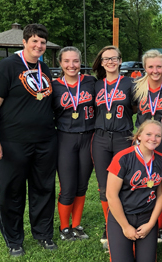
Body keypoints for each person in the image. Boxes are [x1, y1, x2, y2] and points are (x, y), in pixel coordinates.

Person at [0, 23, 57, 256]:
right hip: (13, 142)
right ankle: (14, 239)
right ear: (24, 42)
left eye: (43, 42)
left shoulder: (44, 68)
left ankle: (43, 234)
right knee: (12, 191)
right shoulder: (6, 67)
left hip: (45, 141)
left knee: (44, 189)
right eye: (34, 41)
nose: (39, 45)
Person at [106, 120, 162, 262]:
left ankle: (138, 244)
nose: (153, 139)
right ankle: (122, 242)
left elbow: (161, 195)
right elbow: (111, 195)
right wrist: (126, 227)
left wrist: (152, 224)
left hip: (146, 216)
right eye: (149, 134)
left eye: (158, 136)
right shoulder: (123, 157)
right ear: (138, 136)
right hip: (123, 215)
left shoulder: (161, 160)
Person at [91, 45, 137, 249]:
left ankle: (125, 221)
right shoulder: (96, 85)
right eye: (106, 59)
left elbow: (138, 108)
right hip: (101, 138)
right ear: (101, 63)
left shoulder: (130, 83)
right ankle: (109, 224)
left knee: (124, 181)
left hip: (123, 136)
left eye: (114, 58)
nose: (110, 62)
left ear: (120, 61)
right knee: (104, 184)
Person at [133, 50, 162, 243]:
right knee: (142, 182)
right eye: (151, 66)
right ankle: (139, 219)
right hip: (143, 142)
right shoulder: (136, 87)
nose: (155, 70)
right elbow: (130, 109)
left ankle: (158, 226)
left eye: (159, 66)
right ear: (145, 68)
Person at [52, 46, 96, 241]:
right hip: (65, 138)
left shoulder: (91, 82)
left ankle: (76, 225)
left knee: (82, 184)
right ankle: (64, 228)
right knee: (67, 185)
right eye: (67, 61)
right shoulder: (54, 86)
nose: (72, 65)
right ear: (60, 63)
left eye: (75, 61)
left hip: (88, 136)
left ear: (81, 62)